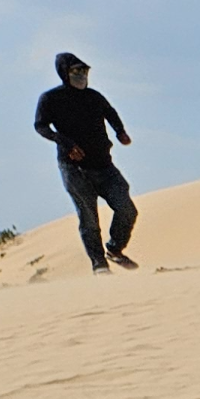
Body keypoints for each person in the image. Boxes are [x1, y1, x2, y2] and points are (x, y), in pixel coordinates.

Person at [33, 54, 136, 273]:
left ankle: (115, 249)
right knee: (89, 218)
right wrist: (65, 143)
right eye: (75, 71)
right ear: (64, 73)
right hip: (74, 168)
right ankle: (99, 264)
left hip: (104, 164)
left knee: (127, 209)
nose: (81, 76)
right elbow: (41, 126)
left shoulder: (94, 97)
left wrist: (120, 132)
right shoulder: (50, 98)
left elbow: (110, 113)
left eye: (84, 71)